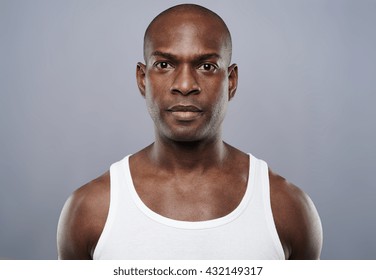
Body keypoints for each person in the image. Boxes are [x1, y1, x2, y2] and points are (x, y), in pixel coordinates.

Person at [57, 4, 323, 260]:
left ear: (231, 81)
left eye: (206, 66)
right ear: (142, 79)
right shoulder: (91, 210)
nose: (185, 85)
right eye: (164, 65)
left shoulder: (286, 208)